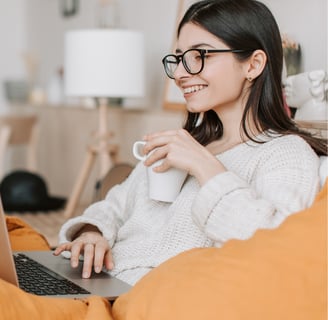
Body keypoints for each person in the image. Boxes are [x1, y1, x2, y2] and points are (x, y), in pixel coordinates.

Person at [55, 0, 327, 286]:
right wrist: (92, 232)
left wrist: (205, 167)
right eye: (179, 58)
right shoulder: (185, 142)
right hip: (97, 279)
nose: (181, 74)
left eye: (199, 55)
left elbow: (274, 246)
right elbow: (115, 204)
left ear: (253, 64)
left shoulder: (284, 154)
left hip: (144, 298)